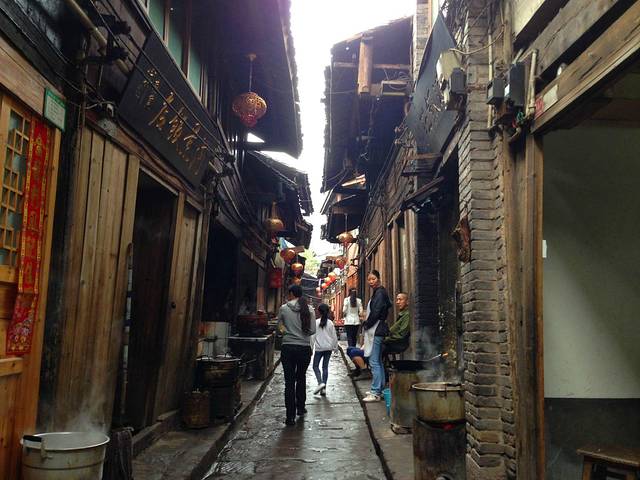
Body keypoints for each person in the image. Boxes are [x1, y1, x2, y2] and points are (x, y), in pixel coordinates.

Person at [277, 284, 316, 425]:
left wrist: (286, 332)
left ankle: (290, 417)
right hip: (304, 348)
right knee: (301, 377)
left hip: (287, 348)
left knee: (289, 382)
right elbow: (312, 331)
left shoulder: (283, 308)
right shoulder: (309, 309)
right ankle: (300, 407)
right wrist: (302, 332)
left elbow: (279, 328)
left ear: (292, 294)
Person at [361, 270, 392, 402]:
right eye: (369, 279)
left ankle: (375, 392)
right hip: (377, 329)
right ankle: (380, 389)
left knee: (374, 361)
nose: (371, 282)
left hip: (376, 329)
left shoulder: (380, 293)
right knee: (377, 361)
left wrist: (367, 324)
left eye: (373, 279)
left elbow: (376, 312)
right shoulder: (379, 292)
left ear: (378, 279)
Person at [312, 303, 339, 395]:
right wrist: (335, 348)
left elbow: (312, 337)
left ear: (319, 312)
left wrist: (311, 348)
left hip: (319, 348)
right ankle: (324, 388)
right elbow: (334, 337)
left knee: (315, 366)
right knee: (325, 367)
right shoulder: (330, 323)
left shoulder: (316, 322)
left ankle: (320, 383)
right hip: (328, 348)